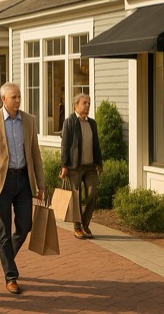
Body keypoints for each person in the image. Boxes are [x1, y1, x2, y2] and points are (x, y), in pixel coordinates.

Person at [0, 82, 44, 295]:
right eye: (14, 97)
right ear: (3, 99)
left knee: (25, 226)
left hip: (23, 181)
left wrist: (41, 184)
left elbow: (35, 154)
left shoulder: (29, 120)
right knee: (3, 230)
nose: (18, 100)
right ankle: (11, 276)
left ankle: (7, 258)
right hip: (1, 183)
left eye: (19, 96)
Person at [60, 93, 103, 239]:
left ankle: (85, 223)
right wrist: (64, 165)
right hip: (75, 167)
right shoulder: (69, 122)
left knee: (92, 193)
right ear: (76, 105)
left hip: (91, 167)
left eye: (89, 103)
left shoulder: (92, 123)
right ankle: (77, 227)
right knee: (76, 197)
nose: (87, 106)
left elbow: (96, 144)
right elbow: (65, 145)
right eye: (84, 103)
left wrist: (99, 163)